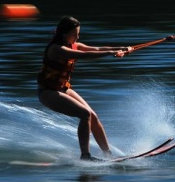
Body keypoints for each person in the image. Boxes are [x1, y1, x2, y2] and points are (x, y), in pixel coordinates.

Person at [37, 16, 133, 161]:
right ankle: (85, 156)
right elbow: (84, 55)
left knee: (92, 116)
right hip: (48, 93)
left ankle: (108, 155)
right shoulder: (56, 49)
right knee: (84, 114)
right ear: (64, 34)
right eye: (75, 34)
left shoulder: (73, 44)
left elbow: (97, 48)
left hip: (62, 89)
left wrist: (121, 49)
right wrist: (110, 53)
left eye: (78, 34)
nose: (77, 37)